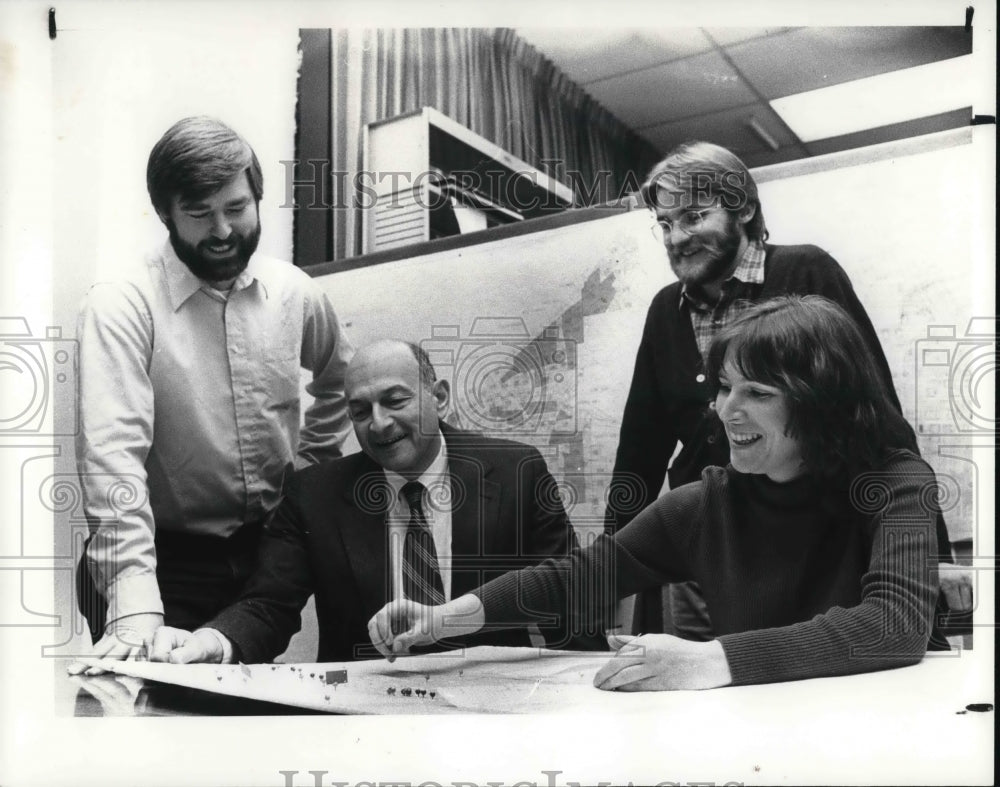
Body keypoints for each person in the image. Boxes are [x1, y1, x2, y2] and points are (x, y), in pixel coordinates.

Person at [369, 296, 944, 690]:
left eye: (758, 392)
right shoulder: (706, 502)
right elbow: (576, 577)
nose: (726, 410)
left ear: (822, 402)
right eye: (722, 388)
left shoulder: (894, 483)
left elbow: (894, 626)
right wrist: (446, 617)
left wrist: (710, 660)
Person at [604, 140, 961, 638]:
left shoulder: (804, 271)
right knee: (699, 682)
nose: (676, 237)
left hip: (812, 532)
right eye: (665, 224)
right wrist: (610, 570)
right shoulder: (667, 309)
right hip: (713, 540)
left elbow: (875, 411)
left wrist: (930, 558)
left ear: (743, 208)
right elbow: (639, 446)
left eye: (694, 216)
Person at [70, 116, 355, 672]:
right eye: (199, 215)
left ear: (257, 198)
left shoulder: (294, 291)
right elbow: (112, 457)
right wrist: (134, 608)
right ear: (165, 214)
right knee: (155, 722)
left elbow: (341, 382)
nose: (222, 231)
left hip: (262, 553)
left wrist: (309, 476)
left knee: (245, 718)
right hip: (160, 558)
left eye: (236, 209)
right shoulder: (121, 302)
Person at [147, 340, 605, 665]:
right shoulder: (314, 495)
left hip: (488, 708)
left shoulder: (516, 472)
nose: (379, 424)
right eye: (360, 411)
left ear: (439, 396)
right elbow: (269, 603)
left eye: (395, 400)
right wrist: (213, 640)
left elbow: (566, 596)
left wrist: (595, 696)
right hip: (364, 714)